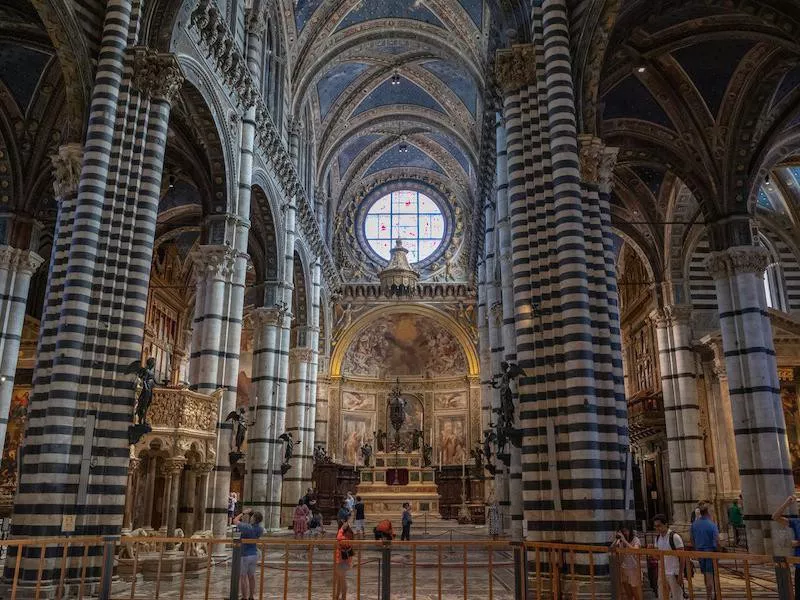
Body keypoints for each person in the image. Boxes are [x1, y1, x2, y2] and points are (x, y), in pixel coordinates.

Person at [772, 495, 800, 600]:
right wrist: (786, 503)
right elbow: (775, 517)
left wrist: (797, 543)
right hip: (798, 564)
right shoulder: (797, 522)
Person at [234, 509, 264, 600]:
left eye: (252, 517)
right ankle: (251, 596)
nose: (251, 518)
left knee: (243, 577)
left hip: (245, 554)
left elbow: (235, 520)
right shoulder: (260, 529)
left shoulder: (247, 527)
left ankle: (244, 597)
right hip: (254, 554)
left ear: (254, 519)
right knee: (251, 577)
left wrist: (243, 512)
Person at [691, 505, 719, 599]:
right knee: (710, 574)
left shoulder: (695, 524)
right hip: (711, 552)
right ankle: (711, 595)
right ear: (708, 513)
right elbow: (716, 539)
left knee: (705, 574)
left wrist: (696, 550)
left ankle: (709, 595)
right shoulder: (711, 524)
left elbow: (692, 539)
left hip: (700, 552)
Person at [653, 514, 684, 600]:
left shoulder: (674, 537)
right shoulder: (657, 538)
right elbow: (657, 557)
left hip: (674, 571)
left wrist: (681, 574)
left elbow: (682, 557)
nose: (657, 528)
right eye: (655, 526)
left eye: (659, 525)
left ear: (665, 524)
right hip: (662, 572)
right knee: (662, 596)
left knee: (677, 596)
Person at [611, 526, 643, 600]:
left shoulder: (635, 540)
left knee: (636, 593)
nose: (625, 533)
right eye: (623, 531)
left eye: (626, 531)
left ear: (630, 531)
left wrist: (625, 541)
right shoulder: (620, 541)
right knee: (628, 594)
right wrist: (616, 539)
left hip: (633, 568)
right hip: (624, 568)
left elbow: (635, 550)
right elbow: (611, 549)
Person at [333, 521, 354, 600]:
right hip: (343, 560)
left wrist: (341, 529)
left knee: (342, 581)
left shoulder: (345, 534)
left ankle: (343, 597)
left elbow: (339, 538)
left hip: (342, 560)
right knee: (339, 580)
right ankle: (337, 597)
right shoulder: (349, 534)